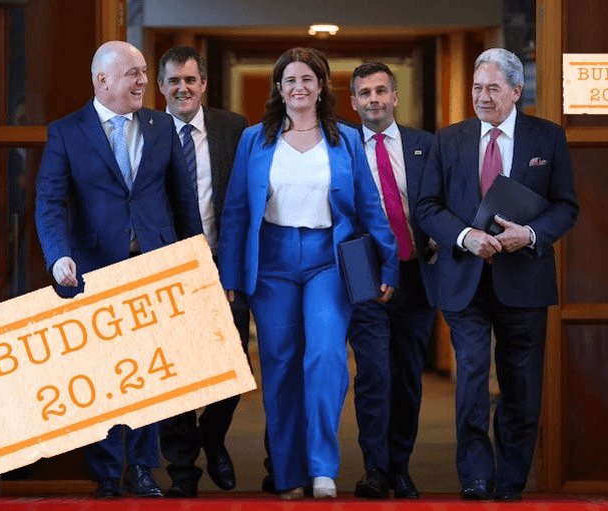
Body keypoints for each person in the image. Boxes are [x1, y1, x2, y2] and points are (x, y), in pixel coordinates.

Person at [218, 47, 398, 500]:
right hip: (272, 261)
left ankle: (321, 467)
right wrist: (230, 276)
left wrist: (389, 262)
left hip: (328, 261)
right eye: (290, 80)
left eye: (308, 80)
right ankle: (289, 472)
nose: (299, 87)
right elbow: (237, 212)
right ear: (279, 89)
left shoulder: (348, 140)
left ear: (321, 88)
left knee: (325, 355)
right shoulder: (254, 140)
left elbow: (369, 207)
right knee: (278, 365)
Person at [35, 40, 201, 499]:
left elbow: (183, 202)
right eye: (134, 73)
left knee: (151, 372)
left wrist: (195, 264)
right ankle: (107, 473)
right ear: (102, 79)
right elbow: (49, 202)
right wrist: (57, 255)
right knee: (105, 375)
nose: (145, 81)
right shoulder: (67, 132)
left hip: (153, 263)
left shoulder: (162, 126)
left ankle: (144, 468)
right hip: (92, 267)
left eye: (145, 71)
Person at [414, 48, 578, 501]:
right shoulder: (449, 139)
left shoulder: (547, 139)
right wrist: (465, 236)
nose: (482, 97)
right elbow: (427, 207)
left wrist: (528, 233)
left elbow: (566, 206)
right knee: (469, 377)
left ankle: (509, 480)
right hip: (464, 279)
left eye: (492, 89)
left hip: (524, 277)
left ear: (516, 92)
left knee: (520, 385)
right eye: (476, 88)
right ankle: (475, 476)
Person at [156, 45, 250, 499]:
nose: (182, 88)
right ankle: (182, 472)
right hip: (168, 268)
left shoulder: (234, 129)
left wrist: (235, 266)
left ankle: (211, 436)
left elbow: (247, 201)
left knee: (235, 365)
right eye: (173, 81)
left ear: (204, 84)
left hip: (222, 263)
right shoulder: (146, 131)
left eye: (190, 80)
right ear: (161, 87)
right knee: (176, 373)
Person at [346, 62, 436, 500]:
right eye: (365, 93)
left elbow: (440, 203)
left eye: (381, 91)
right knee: (374, 375)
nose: (374, 100)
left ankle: (400, 466)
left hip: (417, 274)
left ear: (395, 97)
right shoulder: (342, 145)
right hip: (365, 272)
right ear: (354, 102)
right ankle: (375, 470)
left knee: (406, 378)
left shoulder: (425, 145)